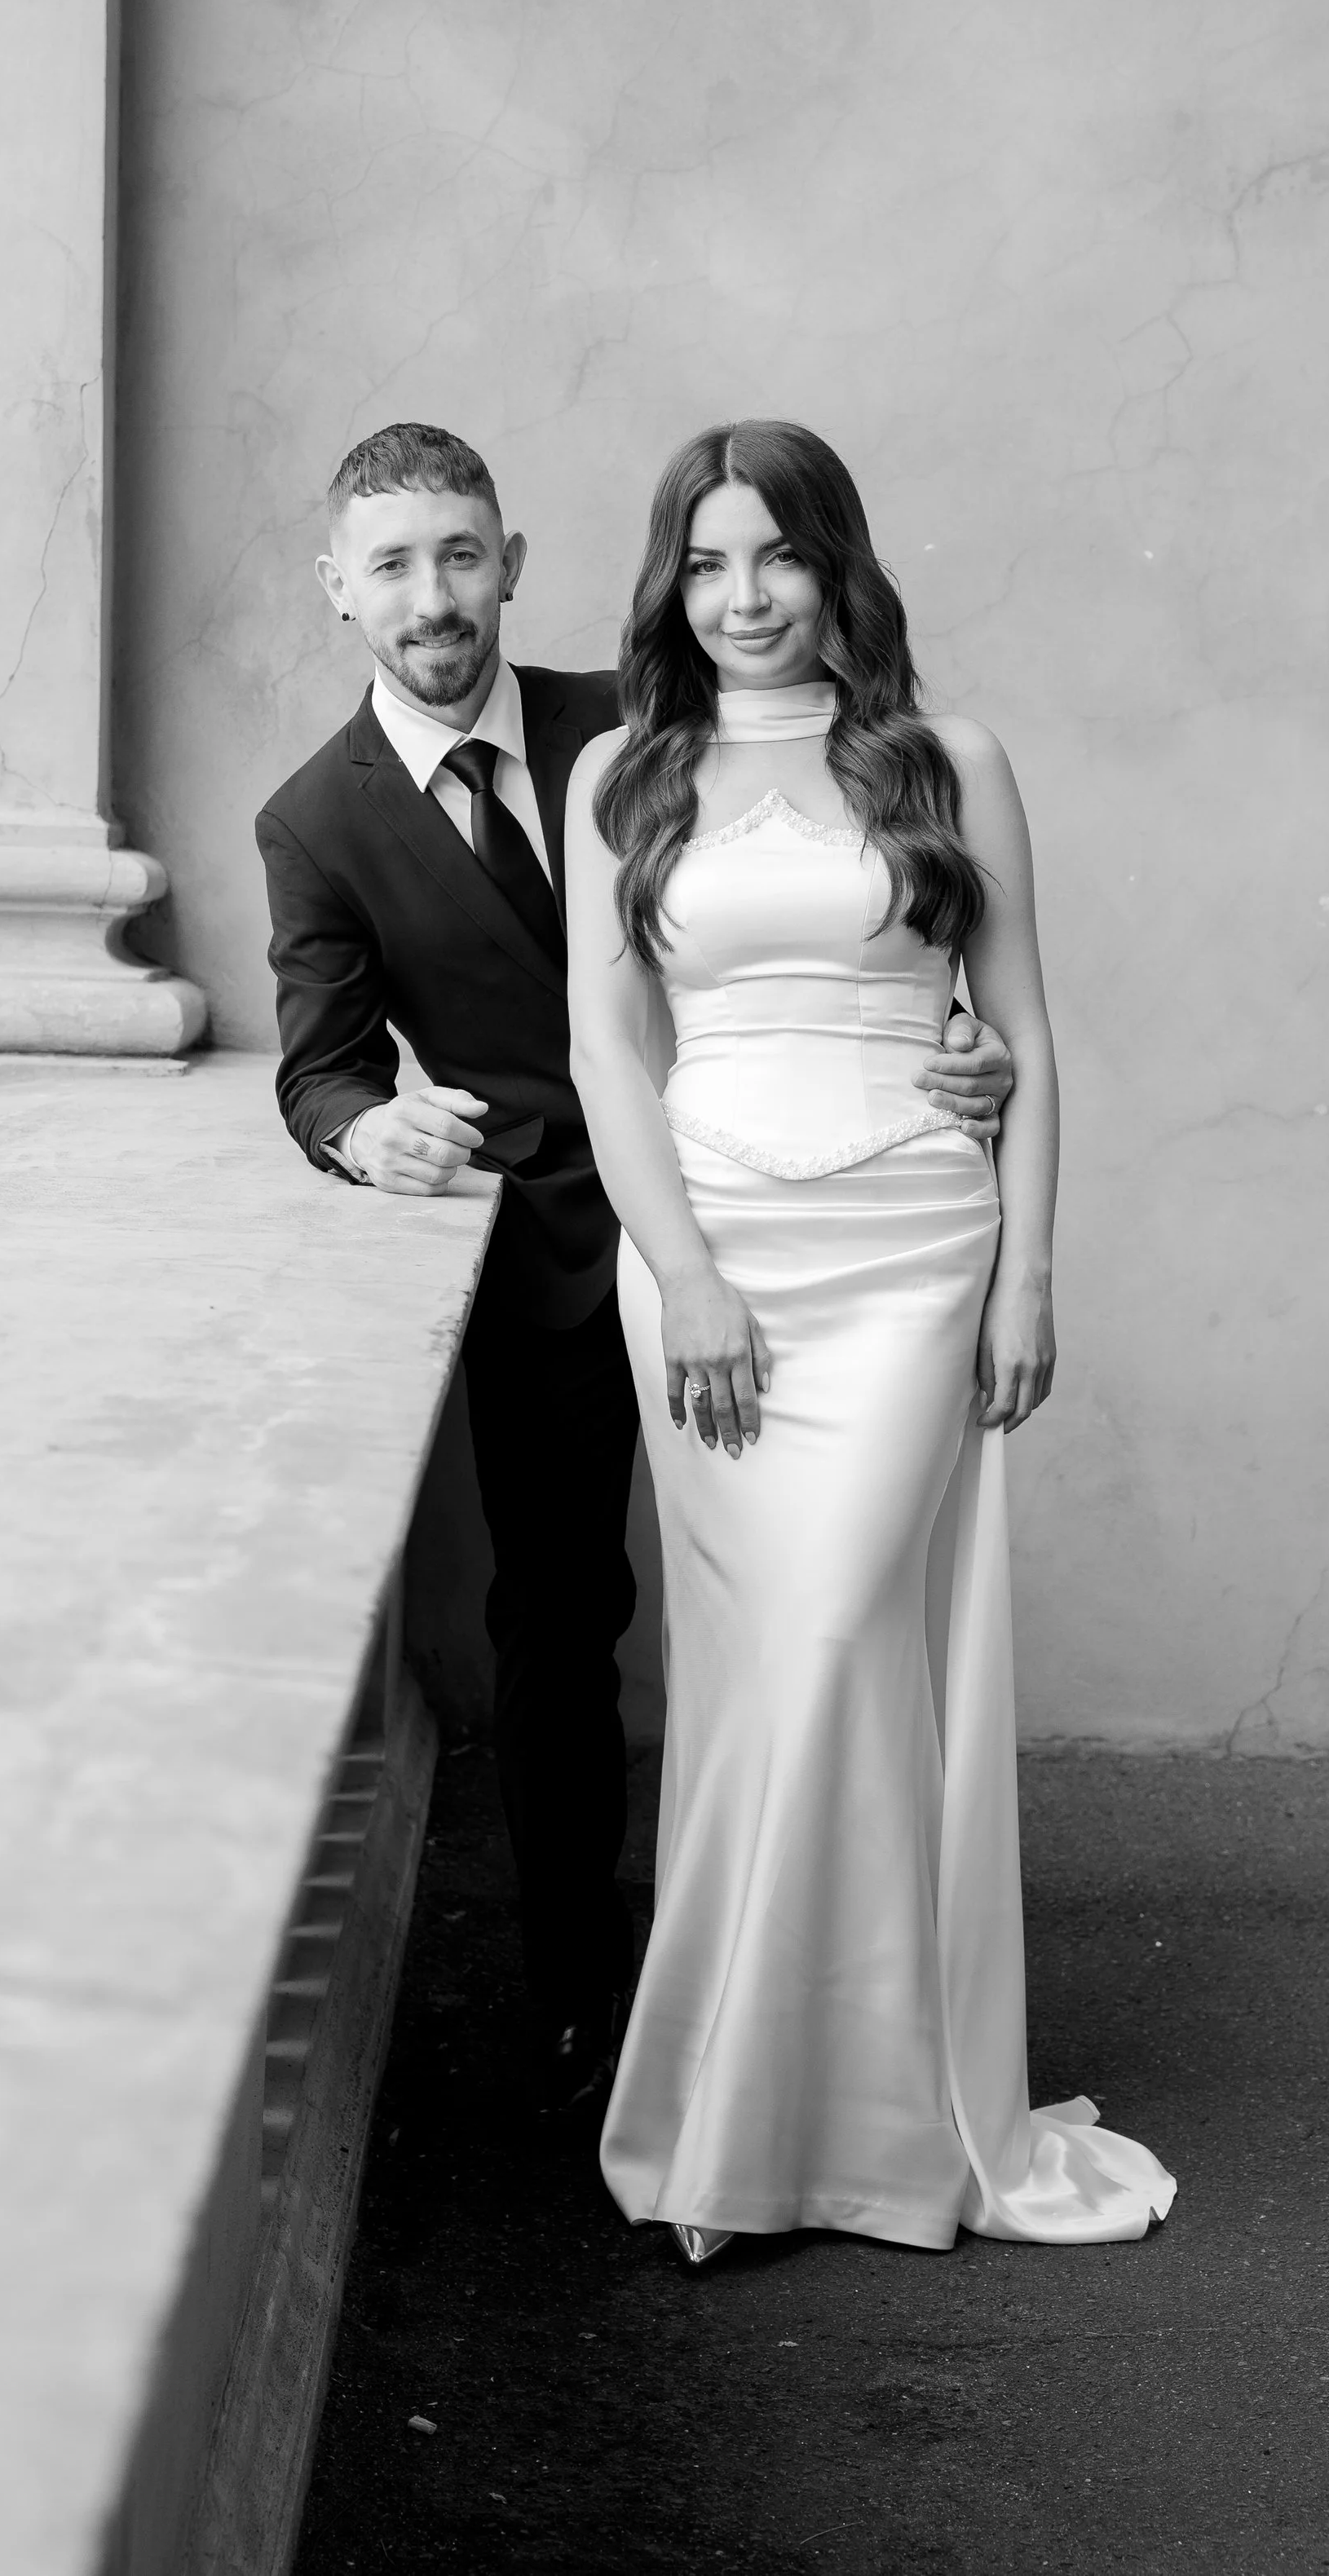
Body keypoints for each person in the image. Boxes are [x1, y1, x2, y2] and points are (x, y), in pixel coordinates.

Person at [254, 421, 1017, 2119]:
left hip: (785, 1221)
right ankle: (594, 1997)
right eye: (390, 564)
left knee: (800, 1619)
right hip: (545, 1252)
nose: (431, 594)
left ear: (512, 561)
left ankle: (827, 2009)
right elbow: (315, 1059)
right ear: (338, 591)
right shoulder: (314, 821)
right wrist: (360, 1129)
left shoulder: (643, 718)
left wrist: (956, 1035)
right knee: (559, 1612)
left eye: (460, 553)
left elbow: (862, 898)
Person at [565, 420, 1177, 2254]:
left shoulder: (944, 760)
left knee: (842, 1641)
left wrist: (1031, 1275)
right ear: (672, 585)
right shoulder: (619, 768)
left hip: (913, 1247)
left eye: (776, 556)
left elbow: (1027, 1036)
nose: (743, 597)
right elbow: (612, 1048)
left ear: (838, 567)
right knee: (759, 1673)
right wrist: (677, 1271)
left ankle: (855, 2117)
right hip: (711, 1252)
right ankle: (737, 2121)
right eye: (704, 563)